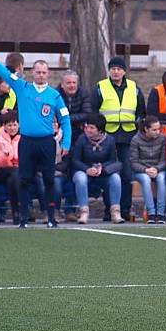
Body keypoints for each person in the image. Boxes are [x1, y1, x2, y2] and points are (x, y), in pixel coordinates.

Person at [0, 44, 72, 228]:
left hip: (47, 143)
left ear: (48, 74)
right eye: (38, 72)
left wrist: (66, 141)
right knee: (24, 179)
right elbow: (2, 71)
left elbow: (65, 120)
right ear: (32, 72)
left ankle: (51, 217)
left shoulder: (55, 96)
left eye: (44, 72)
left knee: (50, 180)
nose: (41, 75)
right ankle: (23, 218)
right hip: (26, 142)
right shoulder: (22, 87)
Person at [92, 56, 146, 221]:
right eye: (113, 68)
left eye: (119, 69)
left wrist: (137, 124)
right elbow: (94, 112)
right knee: (109, 174)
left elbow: (141, 111)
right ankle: (109, 209)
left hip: (128, 137)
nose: (116, 71)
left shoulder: (134, 88)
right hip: (107, 137)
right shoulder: (100, 87)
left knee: (127, 175)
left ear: (124, 71)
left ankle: (125, 209)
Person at [71, 113, 123, 224]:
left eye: (92, 128)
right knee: (80, 178)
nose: (88, 130)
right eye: (87, 126)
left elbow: (113, 160)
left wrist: (101, 168)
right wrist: (87, 169)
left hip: (102, 174)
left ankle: (115, 212)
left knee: (115, 178)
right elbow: (75, 160)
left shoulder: (109, 140)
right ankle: (84, 212)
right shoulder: (81, 139)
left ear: (100, 130)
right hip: (84, 172)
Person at [56, 70, 91, 221]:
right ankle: (55, 209)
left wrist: (65, 119)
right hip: (58, 138)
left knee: (74, 173)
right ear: (62, 84)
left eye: (74, 82)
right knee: (59, 173)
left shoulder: (84, 94)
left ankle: (71, 209)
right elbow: (52, 114)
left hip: (78, 138)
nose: (71, 85)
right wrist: (69, 121)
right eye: (68, 83)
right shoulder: (55, 94)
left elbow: (87, 114)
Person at [129, 116, 166, 224]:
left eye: (159, 129)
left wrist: (157, 168)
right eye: (154, 130)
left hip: (158, 169)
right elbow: (133, 162)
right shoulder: (136, 139)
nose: (157, 132)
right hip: (141, 171)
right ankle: (151, 213)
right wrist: (145, 170)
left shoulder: (163, 138)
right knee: (146, 180)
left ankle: (160, 213)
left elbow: (164, 160)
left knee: (162, 178)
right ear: (146, 129)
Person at [0, 111, 22, 224]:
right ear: (4, 126)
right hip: (1, 171)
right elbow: (0, 162)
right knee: (14, 173)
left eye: (15, 125)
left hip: (18, 171)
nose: (12, 128)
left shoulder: (24, 138)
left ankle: (16, 213)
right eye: (9, 125)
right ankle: (21, 208)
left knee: (13, 179)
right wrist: (5, 155)